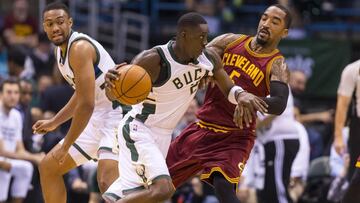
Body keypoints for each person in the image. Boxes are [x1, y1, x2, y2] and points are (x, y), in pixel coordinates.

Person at [102, 12, 267, 203]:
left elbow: (228, 87)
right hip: (139, 129)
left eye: (207, 37)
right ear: (183, 36)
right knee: (163, 190)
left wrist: (241, 95)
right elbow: (117, 94)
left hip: (164, 135)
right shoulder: (153, 60)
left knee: (134, 195)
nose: (206, 42)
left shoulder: (208, 59)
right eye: (200, 37)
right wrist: (110, 86)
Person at [166, 4, 291, 203]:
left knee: (224, 188)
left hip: (235, 137)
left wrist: (250, 99)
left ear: (284, 32)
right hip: (202, 128)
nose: (266, 24)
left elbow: (279, 103)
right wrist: (204, 70)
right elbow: (199, 53)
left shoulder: (277, 64)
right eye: (265, 18)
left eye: (275, 22)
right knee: (159, 183)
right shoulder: (231, 41)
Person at [31, 2, 124, 203]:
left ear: (70, 22)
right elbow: (81, 93)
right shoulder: (59, 52)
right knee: (48, 168)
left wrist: (67, 145)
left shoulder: (79, 48)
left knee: (108, 184)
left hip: (117, 115)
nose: (55, 28)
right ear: (44, 28)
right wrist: (55, 121)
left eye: (60, 22)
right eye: (49, 24)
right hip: (98, 115)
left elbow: (86, 104)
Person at [0, 78, 44, 203]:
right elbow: (2, 151)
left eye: (16, 93)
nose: (13, 96)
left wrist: (35, 156)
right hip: (2, 157)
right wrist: (34, 158)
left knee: (26, 168)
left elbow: (20, 149)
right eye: (9, 92)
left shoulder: (16, 115)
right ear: (1, 94)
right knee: (4, 165)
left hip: (8, 158)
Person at [333, 59, 360, 203]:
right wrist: (338, 136)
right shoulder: (353, 70)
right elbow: (342, 105)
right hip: (358, 129)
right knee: (356, 175)